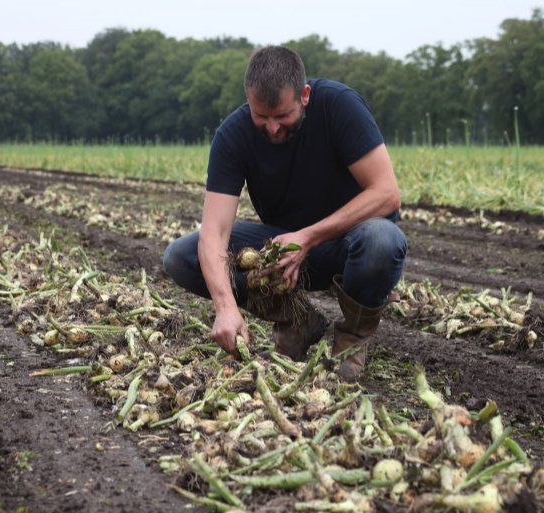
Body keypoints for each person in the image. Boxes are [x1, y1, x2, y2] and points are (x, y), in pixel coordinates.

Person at [163, 45, 407, 381]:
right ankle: (297, 320)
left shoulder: (339, 105)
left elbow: (386, 194)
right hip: (285, 254)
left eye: (282, 116)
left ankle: (352, 341)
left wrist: (307, 237)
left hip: (349, 245)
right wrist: (225, 308)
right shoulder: (233, 135)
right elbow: (215, 233)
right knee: (183, 256)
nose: (272, 127)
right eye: (261, 116)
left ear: (304, 95)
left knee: (382, 238)